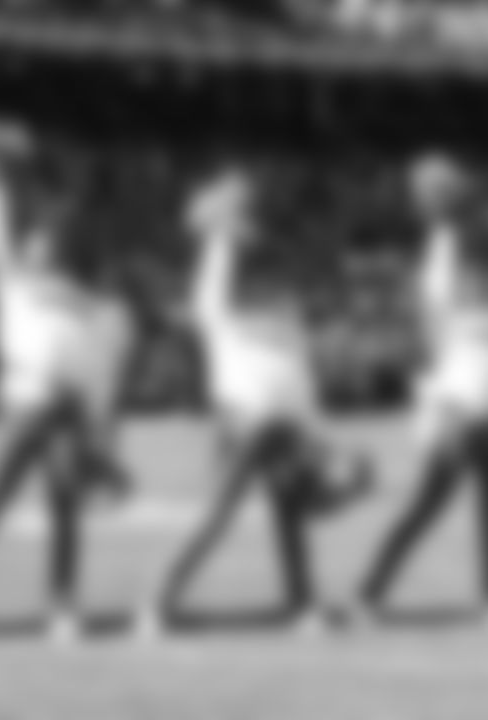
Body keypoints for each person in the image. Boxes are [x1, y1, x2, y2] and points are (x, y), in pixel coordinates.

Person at [0, 115, 136, 645]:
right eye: (40, 237)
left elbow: (109, 374)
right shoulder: (15, 280)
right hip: (27, 398)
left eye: (52, 239)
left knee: (65, 509)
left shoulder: (101, 305)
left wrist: (104, 437)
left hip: (73, 410)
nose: (43, 244)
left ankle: (62, 609)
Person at [135, 165, 372, 639]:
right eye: (246, 228)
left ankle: (303, 606)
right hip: (244, 415)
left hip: (287, 419)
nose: (255, 240)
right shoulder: (218, 294)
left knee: (291, 515)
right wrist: (221, 224)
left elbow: (298, 368)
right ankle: (156, 605)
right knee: (217, 516)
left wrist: (318, 434)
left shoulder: (281, 301)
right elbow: (212, 272)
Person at [352, 154, 488, 631]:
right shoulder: (447, 252)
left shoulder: (483, 262)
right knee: (428, 504)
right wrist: (435, 396)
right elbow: (438, 323)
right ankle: (369, 595)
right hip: (461, 399)